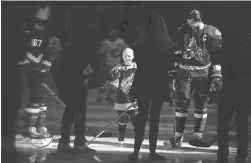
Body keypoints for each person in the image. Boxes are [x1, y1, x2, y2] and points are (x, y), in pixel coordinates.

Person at [164, 10, 223, 148]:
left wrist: (216, 73)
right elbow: (175, 50)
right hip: (184, 73)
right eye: (189, 24)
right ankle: (177, 137)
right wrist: (173, 65)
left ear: (200, 20)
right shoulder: (183, 30)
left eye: (194, 25)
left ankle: (198, 136)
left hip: (203, 74)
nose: (191, 27)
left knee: (201, 105)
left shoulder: (212, 32)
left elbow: (218, 55)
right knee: (181, 104)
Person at [50, 10, 103, 154]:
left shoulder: (76, 42)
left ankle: (65, 143)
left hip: (69, 77)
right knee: (78, 111)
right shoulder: (87, 43)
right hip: (72, 78)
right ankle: (77, 144)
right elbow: (91, 64)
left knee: (71, 110)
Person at [127, 6, 174, 162]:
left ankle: (135, 151)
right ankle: (152, 151)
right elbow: (169, 65)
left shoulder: (140, 42)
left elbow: (138, 62)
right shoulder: (165, 44)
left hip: (143, 82)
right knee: (155, 119)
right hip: (158, 82)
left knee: (142, 117)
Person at [216, 13, 251, 163]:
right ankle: (241, 156)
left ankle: (222, 155)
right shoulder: (247, 50)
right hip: (243, 91)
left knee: (223, 125)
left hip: (228, 90)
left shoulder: (226, 49)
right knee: (242, 126)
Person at [18, 4, 52, 139]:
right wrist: (33, 62)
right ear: (39, 10)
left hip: (39, 67)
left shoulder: (45, 28)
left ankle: (40, 125)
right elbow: (20, 48)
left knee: (40, 96)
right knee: (34, 95)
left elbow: (46, 49)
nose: (49, 14)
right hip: (26, 66)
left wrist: (45, 65)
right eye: (47, 11)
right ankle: (30, 126)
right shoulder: (25, 26)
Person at [108, 48, 138, 142]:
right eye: (125, 56)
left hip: (134, 98)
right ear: (122, 57)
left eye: (129, 56)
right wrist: (113, 75)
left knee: (136, 118)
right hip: (122, 98)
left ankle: (138, 133)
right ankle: (121, 135)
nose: (127, 58)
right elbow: (113, 81)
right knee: (122, 119)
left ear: (133, 56)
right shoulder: (119, 67)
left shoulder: (136, 67)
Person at [96, 29, 129, 104]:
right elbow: (101, 53)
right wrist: (102, 62)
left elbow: (127, 49)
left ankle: (109, 97)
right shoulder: (105, 43)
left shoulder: (120, 42)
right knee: (105, 82)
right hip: (108, 64)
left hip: (117, 65)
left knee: (114, 83)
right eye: (112, 33)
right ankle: (101, 97)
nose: (113, 35)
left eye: (115, 33)